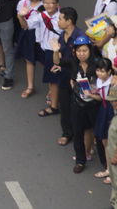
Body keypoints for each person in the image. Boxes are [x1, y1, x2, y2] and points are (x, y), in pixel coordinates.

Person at [51, 8, 85, 148]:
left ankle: (82, 135)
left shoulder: (80, 37)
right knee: (64, 106)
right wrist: (56, 53)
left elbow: (82, 61)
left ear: (69, 21)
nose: (58, 21)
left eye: (60, 18)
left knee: (80, 107)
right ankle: (67, 133)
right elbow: (58, 60)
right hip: (64, 76)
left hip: (77, 78)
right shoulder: (62, 35)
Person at [67, 37, 101, 173]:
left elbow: (107, 75)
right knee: (77, 132)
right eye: (79, 51)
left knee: (98, 133)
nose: (82, 53)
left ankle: (106, 165)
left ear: (90, 50)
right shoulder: (74, 64)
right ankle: (80, 161)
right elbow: (59, 63)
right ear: (74, 52)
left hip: (94, 104)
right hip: (77, 103)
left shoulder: (98, 64)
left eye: (84, 50)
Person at [16, 0, 46, 99]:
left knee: (46, 62)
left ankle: (52, 87)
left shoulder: (44, 6)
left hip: (42, 35)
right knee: (29, 59)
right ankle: (30, 86)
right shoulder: (22, 3)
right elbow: (23, 26)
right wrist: (21, 16)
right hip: (28, 34)